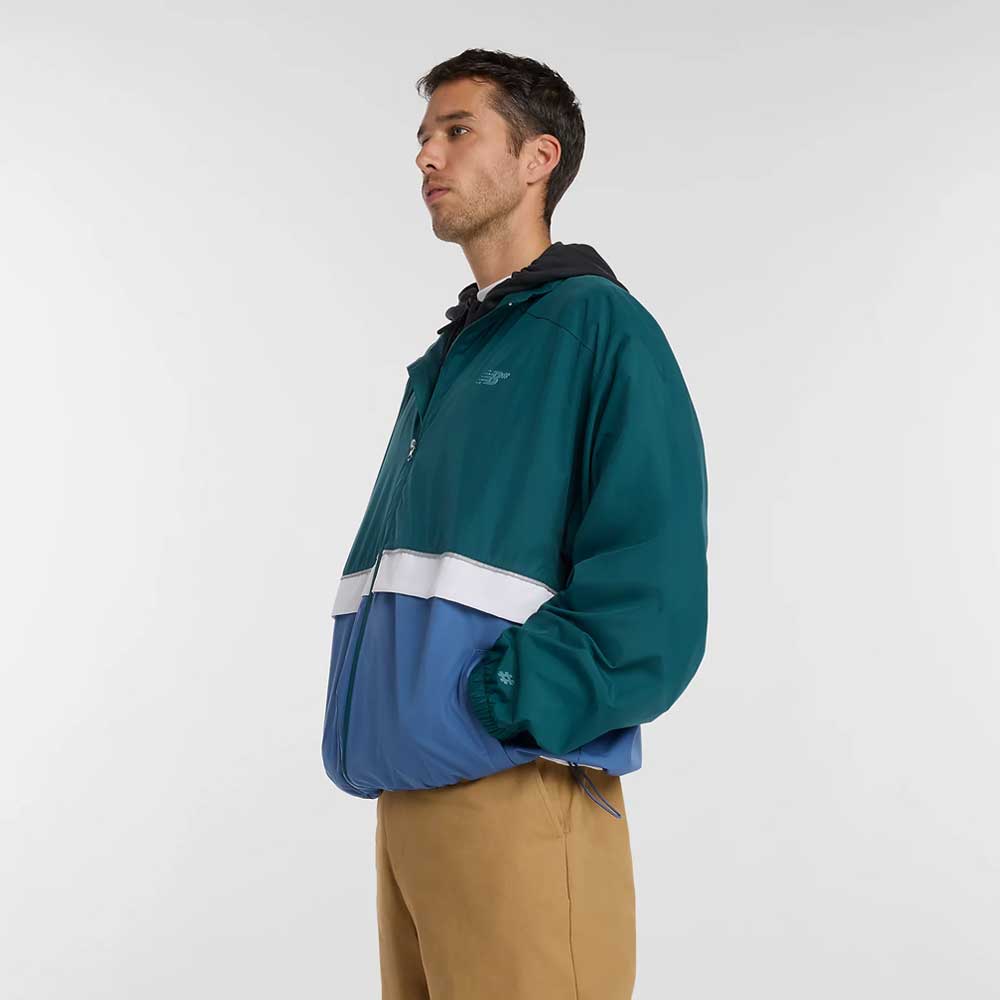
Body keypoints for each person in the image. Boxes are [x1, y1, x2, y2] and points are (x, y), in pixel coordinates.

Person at [321, 48, 709, 999]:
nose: (428, 156)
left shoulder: (597, 329)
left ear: (539, 158)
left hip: (515, 788)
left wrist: (502, 703)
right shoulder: (451, 357)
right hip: (410, 800)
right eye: (424, 137)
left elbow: (653, 590)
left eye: (458, 131)